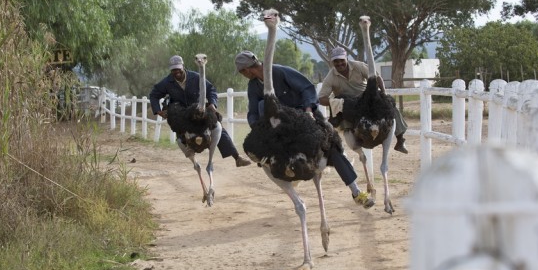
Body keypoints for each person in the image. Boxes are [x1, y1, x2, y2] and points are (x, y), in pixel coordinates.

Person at [235, 50, 369, 204]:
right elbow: (252, 111)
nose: (242, 75)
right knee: (261, 151)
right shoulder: (253, 86)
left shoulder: (280, 71)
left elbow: (307, 88)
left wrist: (308, 110)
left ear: (246, 70)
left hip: (304, 115)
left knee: (331, 143)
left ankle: (356, 191)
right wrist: (256, 128)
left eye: (241, 72)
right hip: (278, 125)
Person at [150, 55, 252, 167]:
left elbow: (211, 90)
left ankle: (237, 157)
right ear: (171, 70)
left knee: (216, 126)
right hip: (182, 113)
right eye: (174, 70)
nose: (176, 72)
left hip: (198, 108)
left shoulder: (195, 77)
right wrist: (158, 111)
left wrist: (213, 103)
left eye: (178, 69)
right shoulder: (167, 82)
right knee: (180, 133)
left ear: (183, 66)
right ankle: (191, 154)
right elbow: (154, 94)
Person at [317, 47, 409, 154]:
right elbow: (321, 98)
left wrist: (384, 93)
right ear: (332, 62)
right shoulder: (331, 77)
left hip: (366, 99)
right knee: (344, 124)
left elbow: (377, 77)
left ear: (346, 58)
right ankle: (355, 144)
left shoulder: (358, 66)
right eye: (336, 61)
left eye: (341, 60)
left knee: (389, 107)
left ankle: (400, 139)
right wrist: (337, 102)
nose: (339, 63)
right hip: (349, 104)